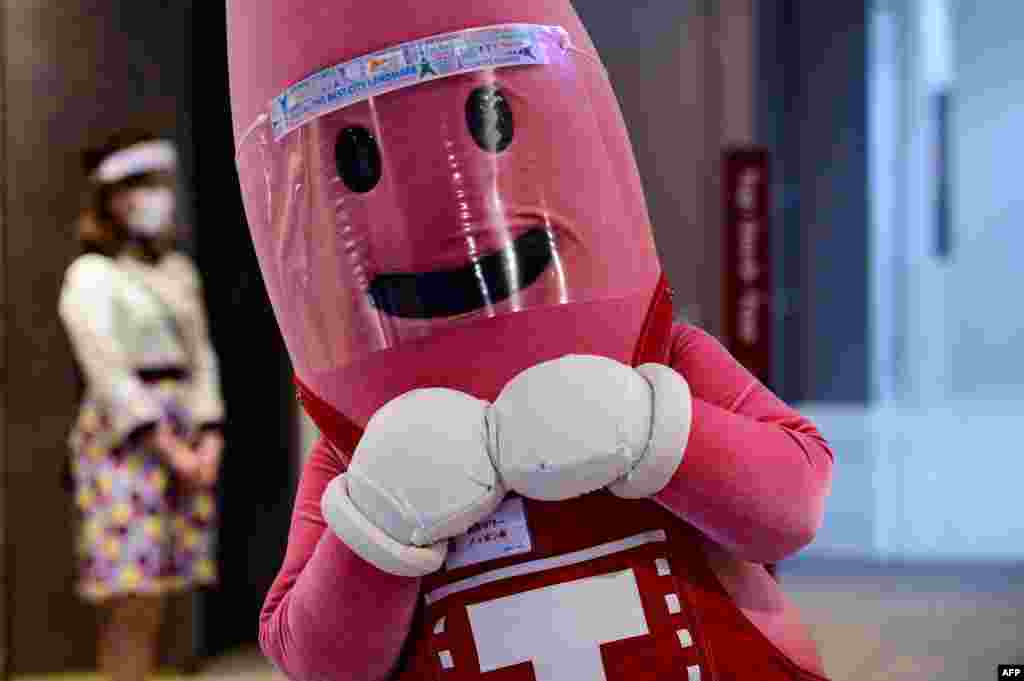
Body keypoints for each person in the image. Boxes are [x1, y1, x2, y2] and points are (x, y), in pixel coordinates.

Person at [228, 1, 835, 679]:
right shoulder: (355, 444)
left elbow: (795, 495)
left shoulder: (661, 355)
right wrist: (376, 528)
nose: (431, 223)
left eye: (490, 120)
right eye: (356, 159)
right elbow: (311, 656)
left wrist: (656, 432)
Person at [58, 129, 225, 681]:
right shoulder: (90, 276)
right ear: (110, 197)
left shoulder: (176, 269)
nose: (153, 197)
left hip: (186, 434)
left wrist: (209, 436)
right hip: (127, 445)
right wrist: (169, 448)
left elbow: (201, 356)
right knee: (130, 596)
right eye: (138, 186)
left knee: (171, 592)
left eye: (158, 184)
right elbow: (107, 373)